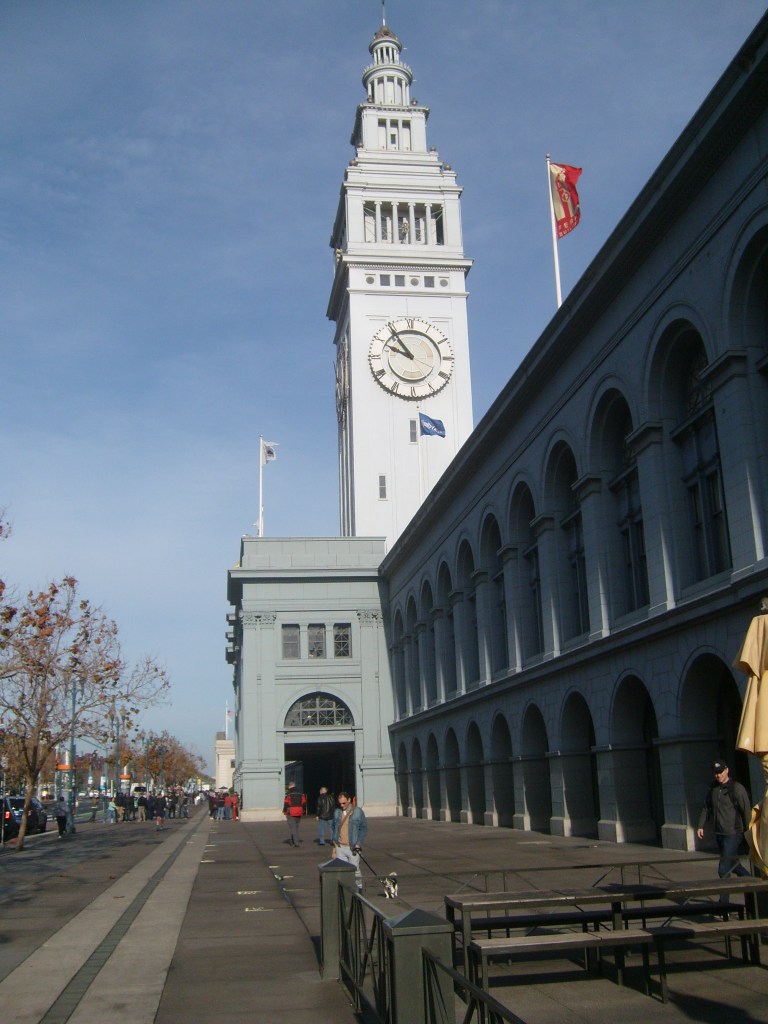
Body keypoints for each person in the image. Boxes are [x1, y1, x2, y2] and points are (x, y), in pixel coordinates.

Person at [697, 761, 751, 878]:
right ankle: (752, 882)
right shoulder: (713, 789)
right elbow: (706, 807)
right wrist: (701, 826)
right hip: (719, 833)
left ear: (727, 770)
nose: (718, 775)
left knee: (723, 870)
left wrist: (749, 832)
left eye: (720, 772)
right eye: (716, 773)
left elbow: (746, 810)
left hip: (733, 833)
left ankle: (724, 891)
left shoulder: (736, 788)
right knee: (734, 865)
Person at [331, 792, 368, 888]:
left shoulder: (358, 812)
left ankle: (359, 889)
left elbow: (364, 828)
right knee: (342, 872)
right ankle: (346, 891)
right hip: (340, 847)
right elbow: (334, 826)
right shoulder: (337, 812)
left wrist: (359, 843)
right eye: (340, 803)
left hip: (353, 847)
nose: (341, 805)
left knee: (355, 871)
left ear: (349, 800)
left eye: (344, 803)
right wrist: (334, 840)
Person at [282, 781, 306, 846]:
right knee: (296, 827)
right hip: (299, 811)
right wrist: (303, 810)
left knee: (293, 827)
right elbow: (304, 802)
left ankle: (296, 842)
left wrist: (284, 811)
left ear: (289, 786)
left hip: (291, 811)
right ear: (294, 785)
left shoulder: (288, 793)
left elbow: (286, 803)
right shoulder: (301, 793)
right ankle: (294, 840)